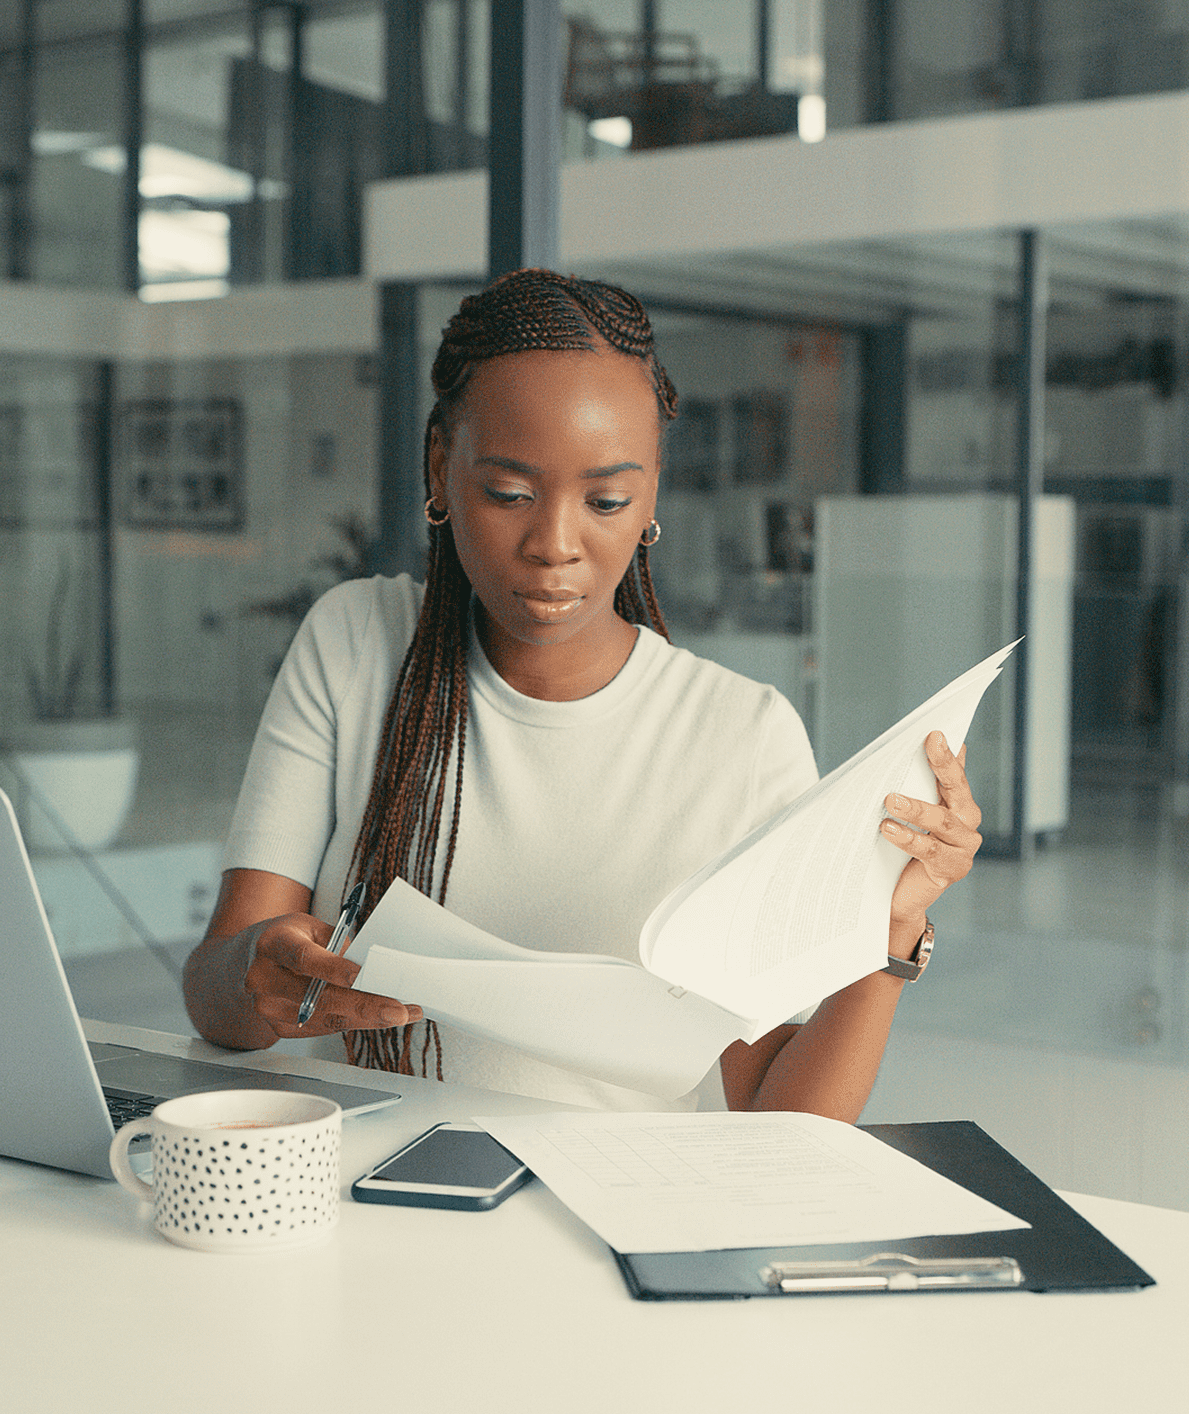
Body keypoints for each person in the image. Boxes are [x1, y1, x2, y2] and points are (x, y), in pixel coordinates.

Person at [182, 269, 982, 1122]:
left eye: (605, 500)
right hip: (372, 1202)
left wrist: (885, 934)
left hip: (611, 1221)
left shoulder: (742, 737)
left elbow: (782, 1123)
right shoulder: (355, 642)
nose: (554, 544)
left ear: (651, 497)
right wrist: (256, 981)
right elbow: (217, 996)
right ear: (439, 465)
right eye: (509, 494)